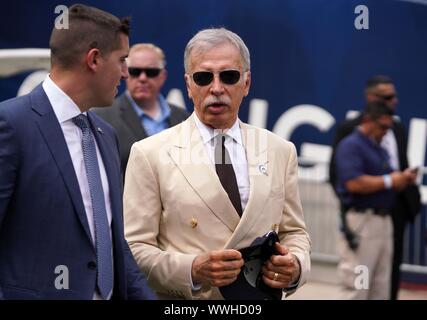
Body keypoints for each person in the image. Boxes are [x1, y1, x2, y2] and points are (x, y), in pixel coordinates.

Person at [123, 27, 311, 300]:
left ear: (246, 83)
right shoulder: (149, 153)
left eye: (229, 76)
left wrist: (294, 265)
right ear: (188, 85)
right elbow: (134, 248)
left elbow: (294, 232)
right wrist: (192, 269)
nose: (217, 88)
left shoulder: (280, 150)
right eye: (203, 77)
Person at [0, 4, 155, 300]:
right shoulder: (10, 124)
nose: (126, 73)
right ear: (94, 59)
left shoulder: (105, 134)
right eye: (122, 60)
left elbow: (113, 242)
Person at [329, 75, 421, 299]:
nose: (385, 132)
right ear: (368, 121)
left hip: (386, 220)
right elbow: (352, 182)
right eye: (382, 127)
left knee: (381, 285)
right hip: (364, 222)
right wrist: (391, 181)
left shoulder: (380, 144)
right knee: (359, 285)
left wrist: (402, 180)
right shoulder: (351, 144)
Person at [94, 43, 190, 174]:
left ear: (163, 76)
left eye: (151, 72)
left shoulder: (184, 117)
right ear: (125, 73)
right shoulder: (102, 117)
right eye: (135, 72)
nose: (142, 78)